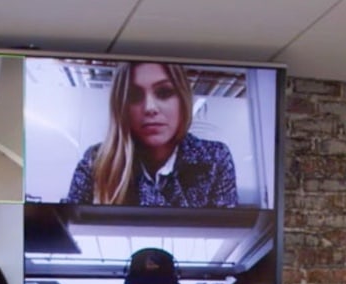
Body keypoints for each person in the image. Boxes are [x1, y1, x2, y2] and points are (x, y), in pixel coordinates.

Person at [63, 62, 238, 207]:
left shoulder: (215, 158)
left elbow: (227, 231)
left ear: (182, 99)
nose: (150, 108)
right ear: (121, 107)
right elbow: (67, 228)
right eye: (134, 95)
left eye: (164, 93)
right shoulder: (96, 161)